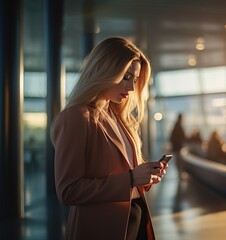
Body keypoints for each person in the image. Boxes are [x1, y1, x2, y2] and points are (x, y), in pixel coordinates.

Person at [51, 37, 168, 240]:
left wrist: (145, 176)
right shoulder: (77, 117)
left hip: (135, 218)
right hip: (100, 228)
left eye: (135, 79)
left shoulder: (118, 116)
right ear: (105, 71)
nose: (131, 87)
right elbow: (68, 191)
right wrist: (131, 179)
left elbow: (124, 174)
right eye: (126, 76)